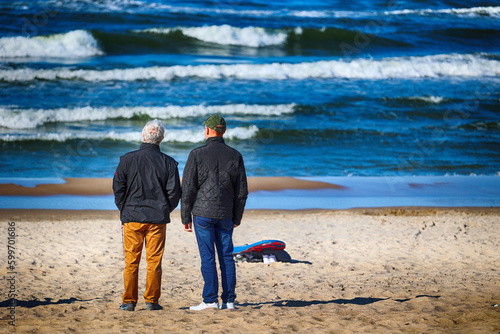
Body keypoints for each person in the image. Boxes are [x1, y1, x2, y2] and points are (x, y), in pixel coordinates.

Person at [113, 119, 181, 311]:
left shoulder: (127, 159)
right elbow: (175, 193)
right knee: (154, 262)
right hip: (155, 218)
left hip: (133, 217)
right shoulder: (168, 162)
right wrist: (164, 209)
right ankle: (151, 301)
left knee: (131, 261)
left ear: (144, 136)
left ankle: (129, 302)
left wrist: (123, 210)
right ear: (161, 139)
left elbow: (118, 188)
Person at [181, 115, 248, 311]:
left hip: (202, 214)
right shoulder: (235, 155)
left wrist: (185, 217)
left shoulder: (196, 154)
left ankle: (210, 300)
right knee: (226, 256)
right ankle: (229, 301)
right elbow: (241, 192)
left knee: (208, 257)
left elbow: (188, 189)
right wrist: (237, 217)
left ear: (208, 131)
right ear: (224, 131)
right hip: (226, 214)